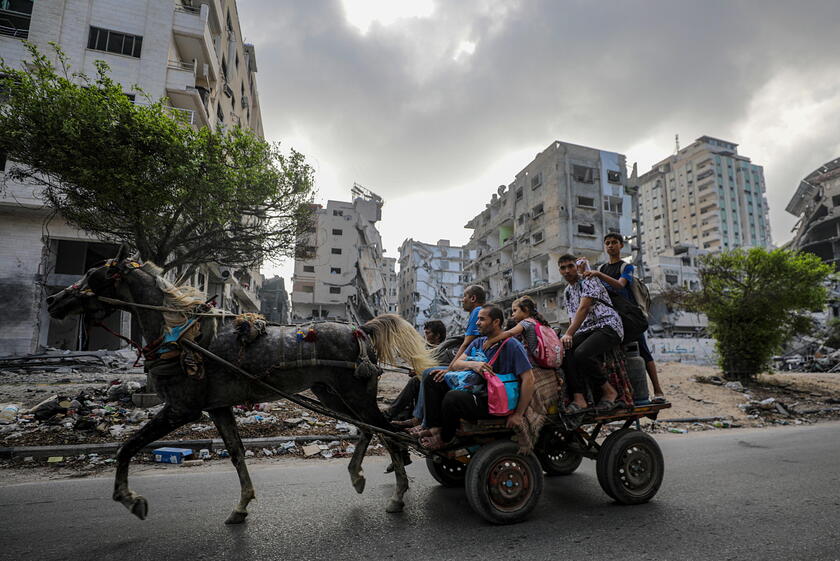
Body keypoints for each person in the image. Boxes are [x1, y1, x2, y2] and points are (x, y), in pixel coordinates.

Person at [419, 304, 535, 449]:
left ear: (496, 322)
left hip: (493, 401)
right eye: (477, 319)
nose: (477, 323)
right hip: (475, 391)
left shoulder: (511, 345)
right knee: (432, 379)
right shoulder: (478, 342)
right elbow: (456, 364)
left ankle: (445, 439)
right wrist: (474, 365)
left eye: (482, 319)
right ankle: (435, 428)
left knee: (452, 397)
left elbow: (529, 379)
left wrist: (518, 414)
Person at [583, 233, 666, 403]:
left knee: (643, 352)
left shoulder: (626, 268)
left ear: (621, 245)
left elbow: (620, 285)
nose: (611, 246)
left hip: (628, 318)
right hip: (609, 319)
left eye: (614, 242)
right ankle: (623, 394)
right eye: (607, 243)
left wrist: (598, 276)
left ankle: (658, 391)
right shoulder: (601, 269)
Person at [403, 285, 487, 433]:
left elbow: (467, 344)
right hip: (472, 363)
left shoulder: (476, 313)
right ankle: (420, 418)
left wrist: (450, 369)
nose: (462, 300)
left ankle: (426, 423)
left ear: (473, 298)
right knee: (427, 372)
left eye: (465, 296)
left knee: (429, 373)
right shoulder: (478, 314)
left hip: (473, 366)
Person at [558, 253, 623, 412]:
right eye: (563, 268)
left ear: (577, 266)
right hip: (587, 329)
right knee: (564, 351)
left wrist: (569, 334)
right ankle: (579, 398)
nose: (567, 271)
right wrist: (567, 337)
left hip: (607, 325)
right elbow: (572, 316)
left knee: (582, 352)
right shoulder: (567, 291)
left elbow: (584, 308)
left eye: (570, 266)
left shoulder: (589, 280)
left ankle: (609, 391)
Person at [387, 320, 447, 422]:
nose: (425, 336)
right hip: (428, 380)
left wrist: (420, 372)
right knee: (415, 380)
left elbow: (438, 369)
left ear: (437, 336)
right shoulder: (429, 349)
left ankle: (391, 413)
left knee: (415, 381)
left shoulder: (444, 351)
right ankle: (402, 413)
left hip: (438, 383)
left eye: (428, 333)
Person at [482, 296, 548, 367]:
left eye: (515, 310)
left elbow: (510, 333)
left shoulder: (525, 323)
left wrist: (491, 341)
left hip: (534, 363)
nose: (513, 314)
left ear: (526, 309)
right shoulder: (537, 321)